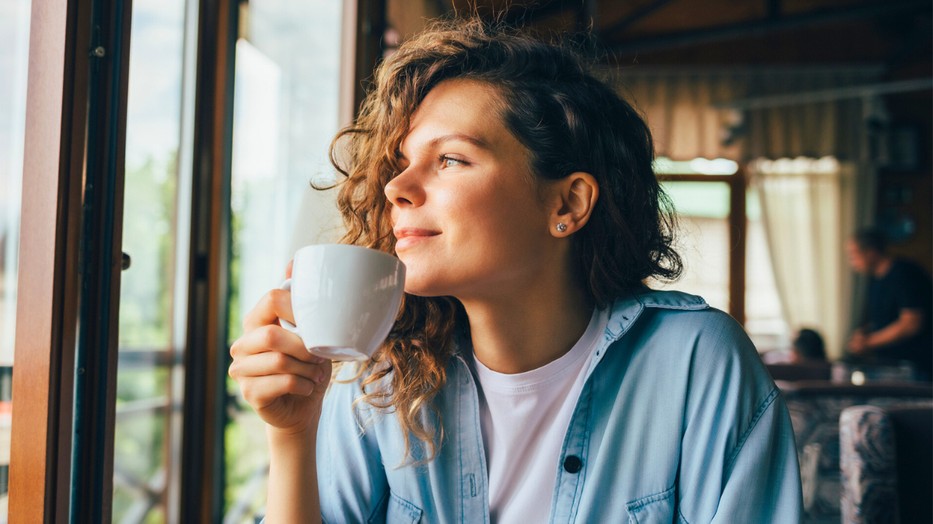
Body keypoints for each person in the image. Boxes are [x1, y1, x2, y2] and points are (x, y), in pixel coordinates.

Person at [228, 20, 802, 522]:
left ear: (567, 204)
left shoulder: (697, 362)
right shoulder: (388, 377)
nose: (396, 189)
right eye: (402, 165)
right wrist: (292, 435)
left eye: (450, 159)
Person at [846, 227, 933, 380]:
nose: (852, 262)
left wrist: (868, 342)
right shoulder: (876, 280)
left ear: (871, 252)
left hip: (914, 367)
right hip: (890, 365)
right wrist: (864, 333)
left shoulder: (905, 273)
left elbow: (911, 323)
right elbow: (885, 319)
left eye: (854, 255)